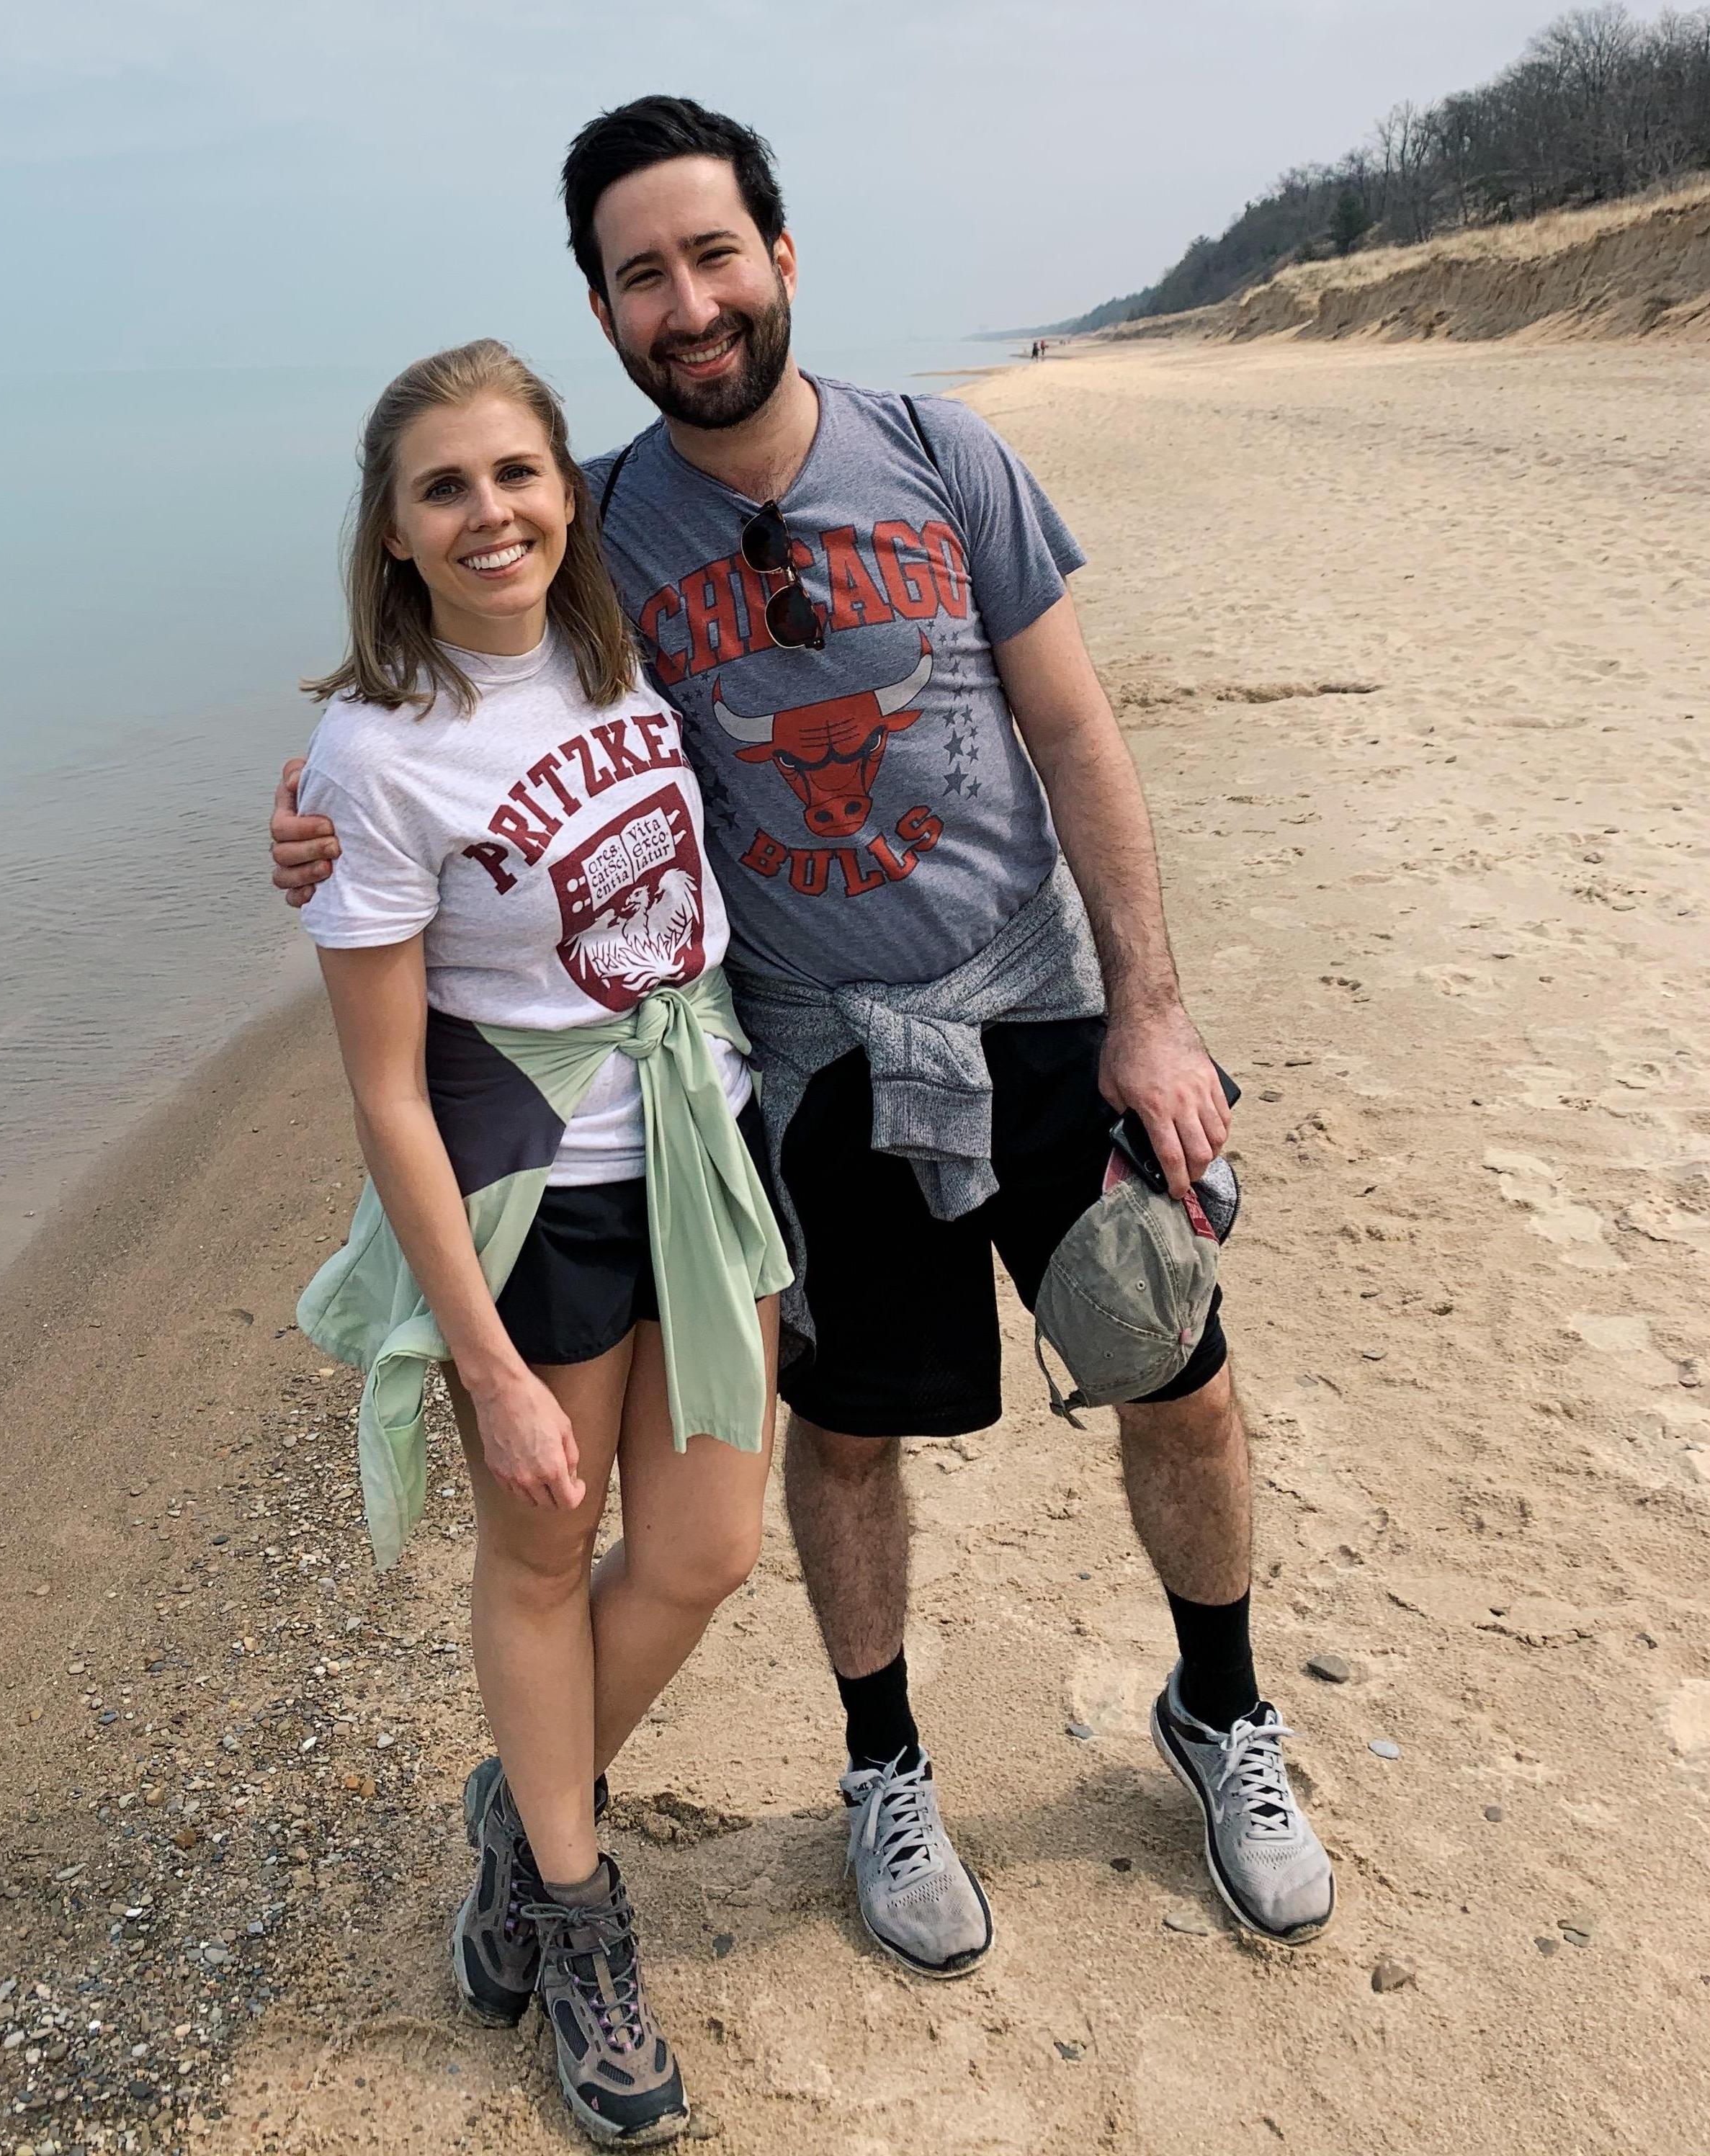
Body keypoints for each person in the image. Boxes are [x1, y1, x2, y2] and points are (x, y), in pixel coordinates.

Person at [274, 99, 1335, 1978]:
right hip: (810, 1057)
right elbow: (461, 694)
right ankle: (883, 1766)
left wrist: (1152, 1015)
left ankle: (1223, 1714)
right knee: (845, 1441)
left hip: (1039, 1012)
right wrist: (314, 812)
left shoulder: (942, 452)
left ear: (781, 257)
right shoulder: (593, 528)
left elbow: (1076, 736)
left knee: (1173, 1368)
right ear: (600, 310)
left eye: (712, 255)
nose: (686, 302)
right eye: (639, 274)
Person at [290, 336, 789, 2146]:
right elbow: (388, 1094)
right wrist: (484, 1364)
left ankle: (527, 1803)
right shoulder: (375, 749)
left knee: (713, 1547)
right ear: (397, 531)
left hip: (703, 1146)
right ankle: (579, 1923)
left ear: (565, 492)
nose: (488, 510)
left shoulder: (623, 652)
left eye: (514, 473)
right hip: (545, 1199)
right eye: (444, 487)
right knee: (540, 1550)